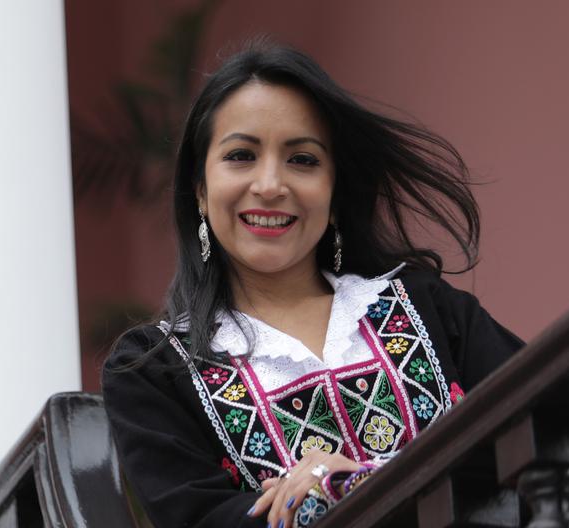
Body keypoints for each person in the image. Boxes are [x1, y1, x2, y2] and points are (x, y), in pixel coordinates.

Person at [101, 42, 524, 528]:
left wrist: (352, 482)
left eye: (302, 160)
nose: (270, 185)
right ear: (199, 187)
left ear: (334, 189)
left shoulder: (425, 305)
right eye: (241, 155)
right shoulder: (154, 371)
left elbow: (541, 420)